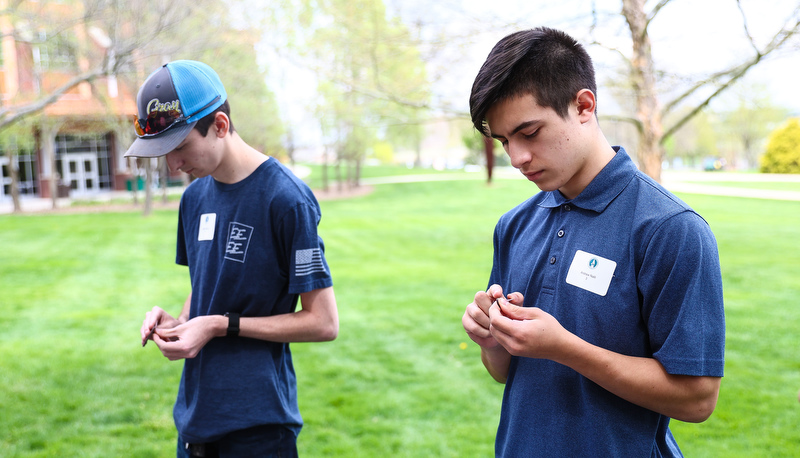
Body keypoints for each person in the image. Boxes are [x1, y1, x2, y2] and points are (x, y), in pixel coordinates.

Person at [461, 28, 725, 457]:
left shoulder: (671, 230)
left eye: (529, 132)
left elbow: (697, 398)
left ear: (584, 106)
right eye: (505, 140)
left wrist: (566, 349)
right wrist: (492, 341)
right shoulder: (513, 224)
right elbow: (504, 374)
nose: (517, 158)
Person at [128, 60, 338, 457]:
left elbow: (323, 322)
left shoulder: (286, 199)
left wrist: (220, 326)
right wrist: (179, 322)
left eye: (180, 147)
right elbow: (207, 289)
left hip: (258, 429)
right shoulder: (193, 199)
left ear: (220, 125)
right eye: (164, 153)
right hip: (193, 424)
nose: (173, 165)